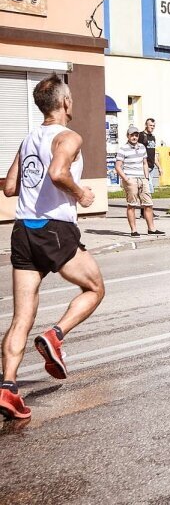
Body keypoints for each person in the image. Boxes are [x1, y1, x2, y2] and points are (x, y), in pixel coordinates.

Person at [0, 74, 106, 419]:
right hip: (54, 228)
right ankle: (56, 334)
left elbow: (11, 187)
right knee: (94, 288)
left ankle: (8, 388)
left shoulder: (28, 139)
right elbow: (59, 173)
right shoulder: (68, 136)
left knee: (21, 317)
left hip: (23, 230)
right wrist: (81, 193)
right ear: (65, 103)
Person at [116, 125, 165, 237]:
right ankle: (134, 230)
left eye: (136, 135)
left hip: (142, 178)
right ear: (128, 136)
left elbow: (144, 163)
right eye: (132, 135)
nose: (134, 137)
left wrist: (146, 177)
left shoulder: (142, 147)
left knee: (148, 204)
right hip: (131, 179)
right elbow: (118, 166)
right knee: (132, 205)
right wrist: (126, 179)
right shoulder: (123, 149)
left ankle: (151, 229)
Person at [137, 118, 162, 195]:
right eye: (150, 125)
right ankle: (147, 205)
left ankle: (145, 205)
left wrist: (159, 167)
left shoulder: (152, 137)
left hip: (151, 166)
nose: (152, 127)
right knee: (148, 187)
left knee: (146, 188)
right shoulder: (141, 135)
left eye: (153, 126)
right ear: (146, 125)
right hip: (144, 166)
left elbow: (153, 153)